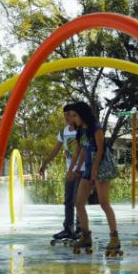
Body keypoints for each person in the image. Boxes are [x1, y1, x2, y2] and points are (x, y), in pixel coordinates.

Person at [66, 101, 123, 256]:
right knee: (79, 203)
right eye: (71, 115)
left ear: (82, 115)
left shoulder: (95, 128)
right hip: (88, 169)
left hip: (100, 168)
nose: (72, 118)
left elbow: (100, 150)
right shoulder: (81, 131)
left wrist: (95, 170)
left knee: (104, 203)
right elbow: (81, 150)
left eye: (74, 115)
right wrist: (75, 168)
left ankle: (114, 238)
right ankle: (86, 236)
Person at [39, 103, 83, 241]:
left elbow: (82, 150)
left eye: (69, 114)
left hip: (81, 170)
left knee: (78, 200)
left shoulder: (81, 130)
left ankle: (80, 229)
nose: (67, 117)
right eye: (65, 115)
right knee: (68, 200)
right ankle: (68, 229)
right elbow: (56, 149)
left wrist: (77, 169)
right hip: (70, 171)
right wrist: (45, 163)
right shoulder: (63, 131)